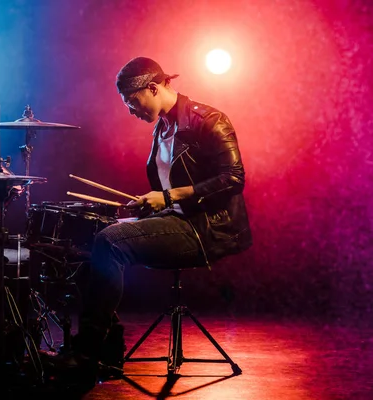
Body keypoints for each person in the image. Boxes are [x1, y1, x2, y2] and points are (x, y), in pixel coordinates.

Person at [44, 56, 252, 386]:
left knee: (110, 243)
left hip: (207, 230)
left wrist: (169, 197)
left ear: (152, 88)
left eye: (131, 101)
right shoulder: (162, 129)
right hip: (177, 220)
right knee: (95, 239)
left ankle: (87, 354)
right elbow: (170, 189)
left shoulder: (210, 120)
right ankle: (108, 355)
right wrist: (151, 204)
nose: (130, 110)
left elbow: (234, 179)